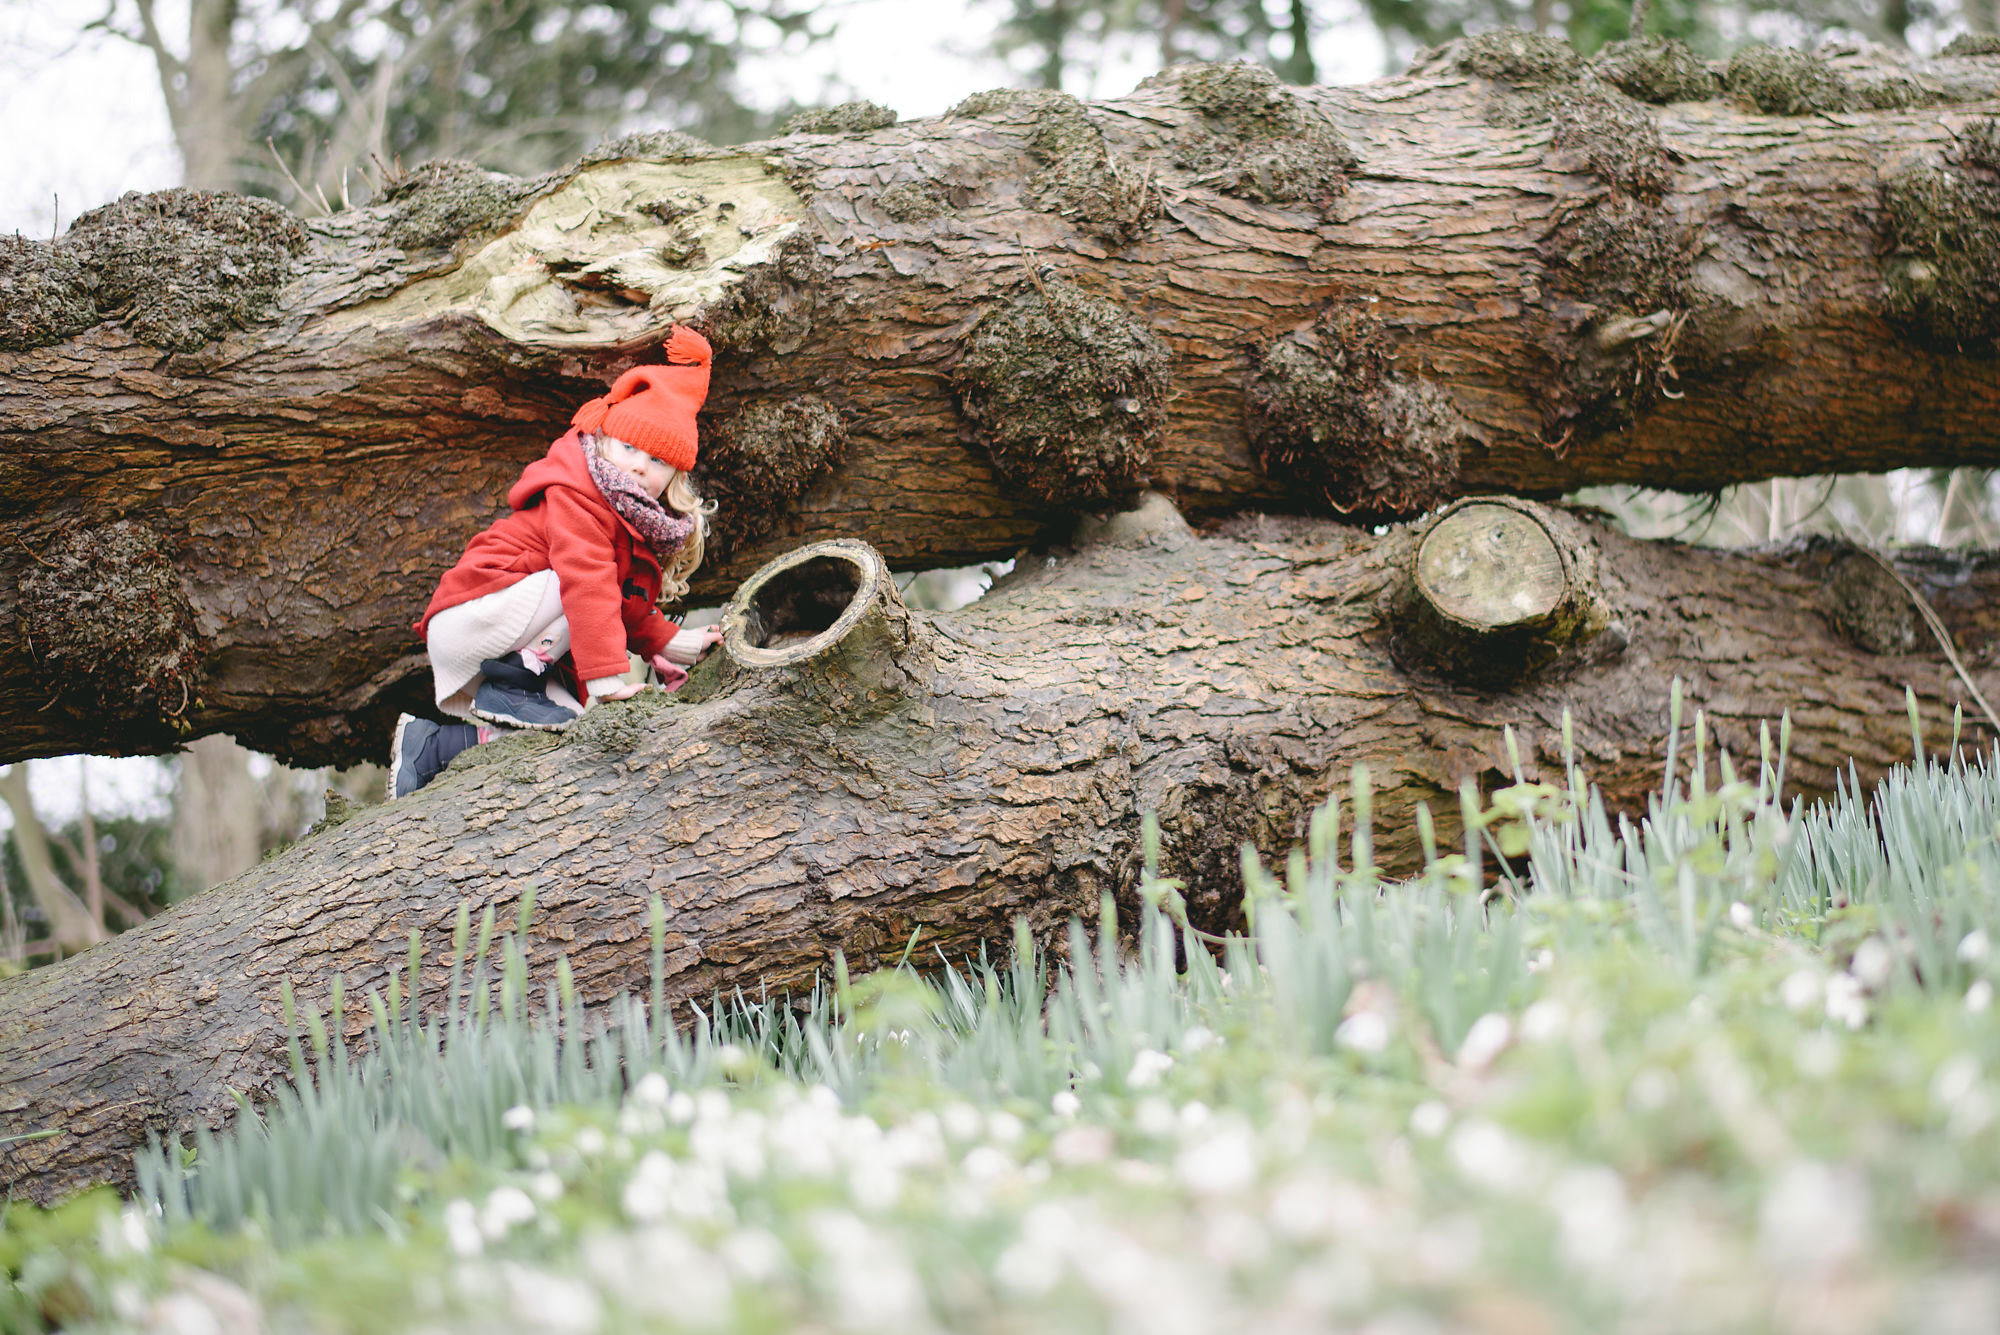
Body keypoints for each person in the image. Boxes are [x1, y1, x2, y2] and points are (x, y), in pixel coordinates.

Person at [389, 327, 724, 798]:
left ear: (673, 474)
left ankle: (432, 750)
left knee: (576, 734)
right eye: (630, 447)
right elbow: (587, 583)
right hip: (476, 615)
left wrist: (673, 645)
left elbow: (623, 605)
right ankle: (514, 685)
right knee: (584, 586)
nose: (639, 466)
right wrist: (607, 680)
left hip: (516, 634)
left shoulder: (630, 517)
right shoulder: (578, 493)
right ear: (606, 439)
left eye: (657, 460)